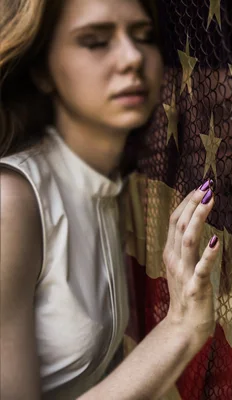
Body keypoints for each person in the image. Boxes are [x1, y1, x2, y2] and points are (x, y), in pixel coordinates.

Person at [0, 0, 219, 398]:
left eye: (144, 37)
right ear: (42, 69)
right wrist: (182, 328)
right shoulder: (11, 202)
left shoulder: (105, 185)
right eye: (96, 41)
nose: (132, 57)